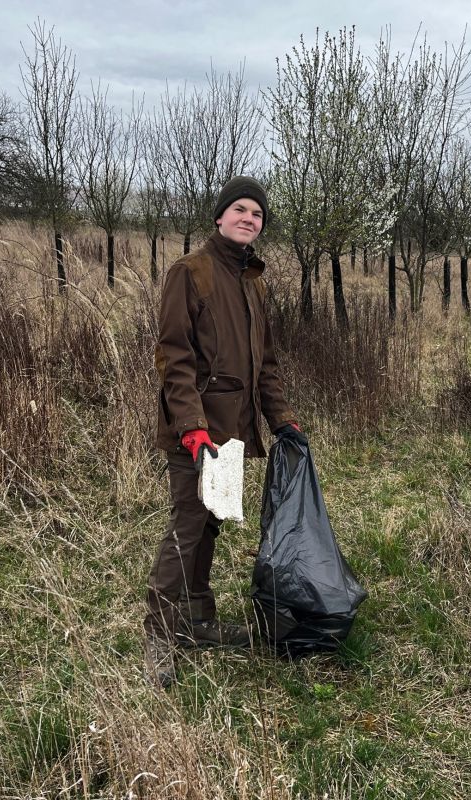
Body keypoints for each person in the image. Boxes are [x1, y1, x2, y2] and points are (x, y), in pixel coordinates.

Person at [144, 175, 302, 687]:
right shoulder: (190, 273)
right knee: (187, 528)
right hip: (198, 433)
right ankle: (159, 637)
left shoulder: (253, 281)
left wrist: (282, 420)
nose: (248, 219)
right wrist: (191, 427)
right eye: (240, 209)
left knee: (211, 522)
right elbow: (174, 357)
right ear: (219, 216)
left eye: (257, 214)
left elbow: (266, 363)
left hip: (233, 431)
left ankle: (197, 621)